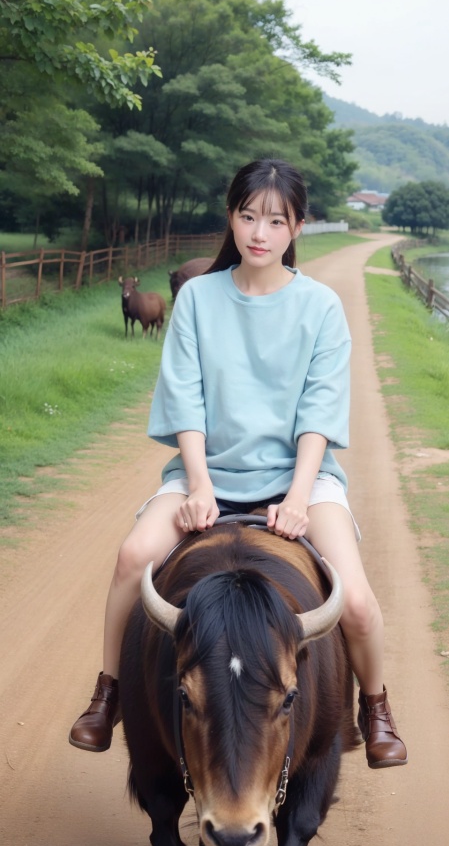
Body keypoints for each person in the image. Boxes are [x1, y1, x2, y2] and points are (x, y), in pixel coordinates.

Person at [69, 158, 407, 770]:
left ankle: (376, 706)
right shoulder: (198, 296)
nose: (259, 232)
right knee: (131, 557)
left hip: (301, 479)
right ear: (231, 217)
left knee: (354, 600)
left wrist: (300, 497)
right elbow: (186, 397)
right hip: (207, 477)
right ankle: (108, 691)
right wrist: (199, 484)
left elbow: (319, 414)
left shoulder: (321, 308)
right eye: (248, 216)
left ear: (297, 226)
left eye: (276, 220)